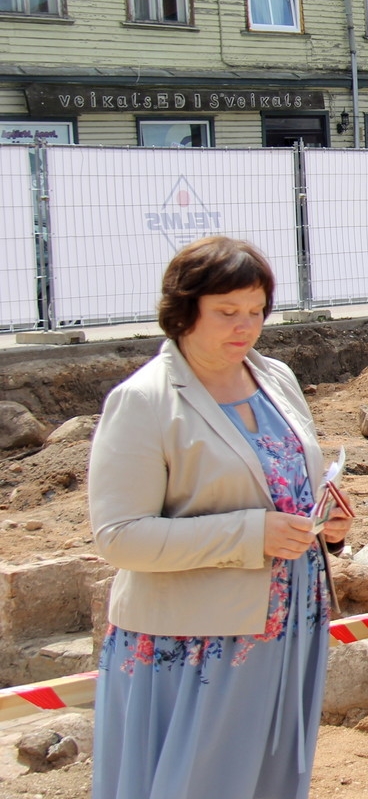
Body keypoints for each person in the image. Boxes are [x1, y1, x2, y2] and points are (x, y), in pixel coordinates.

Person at [89, 236, 352, 799]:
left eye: (256, 311)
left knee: (271, 778)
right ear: (184, 312)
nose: (246, 326)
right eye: (227, 312)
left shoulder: (274, 377)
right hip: (197, 638)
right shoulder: (144, 401)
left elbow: (289, 481)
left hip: (289, 620)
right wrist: (250, 534)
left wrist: (327, 527)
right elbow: (119, 537)